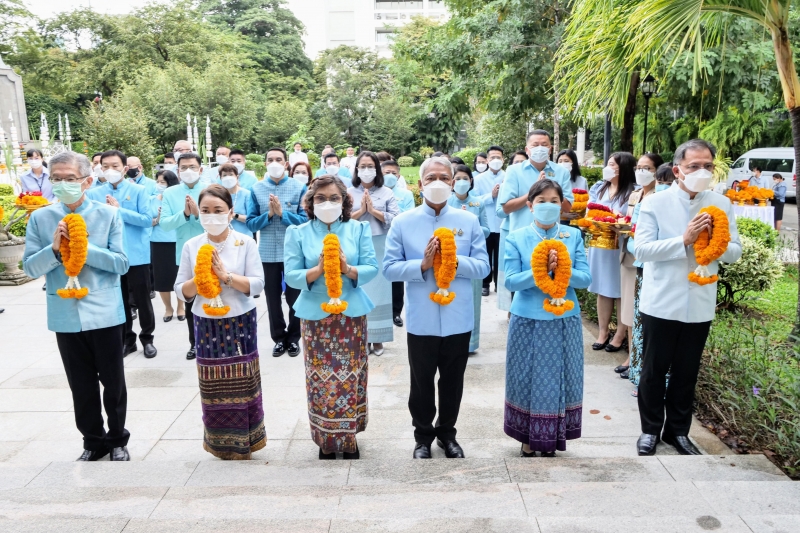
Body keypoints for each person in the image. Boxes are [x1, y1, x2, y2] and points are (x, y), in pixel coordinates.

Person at [635, 139, 742, 456]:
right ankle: (650, 431)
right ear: (678, 170)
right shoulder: (656, 203)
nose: (702, 172)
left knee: (686, 371)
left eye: (708, 166)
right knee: (654, 371)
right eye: (694, 166)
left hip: (700, 301)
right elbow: (641, 249)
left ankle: (678, 432)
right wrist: (684, 240)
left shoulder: (720, 204)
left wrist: (713, 244)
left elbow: (734, 251)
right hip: (661, 301)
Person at [22, 151, 131, 461]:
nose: (62, 184)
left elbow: (121, 264)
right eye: (56, 179)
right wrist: (54, 248)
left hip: (105, 312)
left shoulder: (108, 215)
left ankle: (117, 439)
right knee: (80, 385)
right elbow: (29, 267)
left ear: (86, 181)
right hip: (65, 314)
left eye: (69, 179)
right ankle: (92, 442)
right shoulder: (41, 218)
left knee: (113, 383)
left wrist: (84, 246)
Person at [384, 156, 490, 459]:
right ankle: (422, 437)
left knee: (453, 382)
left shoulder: (468, 221)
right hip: (422, 317)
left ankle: (447, 434)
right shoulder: (404, 222)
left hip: (458, 318)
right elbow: (389, 269)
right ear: (420, 185)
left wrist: (454, 261)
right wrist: (423, 264)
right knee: (421, 383)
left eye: (445, 177)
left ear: (454, 181)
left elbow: (483, 267)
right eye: (431, 178)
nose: (438, 183)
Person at [284, 175, 379, 460]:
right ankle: (325, 438)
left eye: (334, 198)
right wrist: (318, 270)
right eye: (321, 198)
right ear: (311, 202)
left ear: (344, 201)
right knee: (321, 379)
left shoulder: (358, 229)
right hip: (316, 316)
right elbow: (291, 275)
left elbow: (371, 268)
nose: (327, 203)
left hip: (350, 314)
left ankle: (348, 436)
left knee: (351, 376)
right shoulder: (298, 232)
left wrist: (346, 268)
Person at [175, 184, 266, 460]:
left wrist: (225, 276)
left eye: (218, 210)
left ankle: (246, 441)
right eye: (205, 211)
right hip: (206, 323)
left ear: (230, 212)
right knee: (213, 384)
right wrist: (200, 279)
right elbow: (181, 290)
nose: (211, 216)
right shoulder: (192, 245)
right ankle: (220, 442)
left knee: (242, 381)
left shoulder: (245, 242)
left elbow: (258, 284)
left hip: (240, 321)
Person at [503, 179, 591, 457]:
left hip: (564, 317)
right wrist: (540, 271)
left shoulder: (572, 236)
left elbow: (585, 279)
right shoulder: (516, 237)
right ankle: (528, 438)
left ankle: (553, 436)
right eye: (541, 201)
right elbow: (510, 282)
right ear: (530, 206)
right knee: (526, 376)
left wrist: (561, 271)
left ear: (562, 206)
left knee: (559, 376)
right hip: (527, 318)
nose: (548, 206)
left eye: (554, 201)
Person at [87, 150, 157, 359]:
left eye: (115, 166)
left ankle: (148, 338)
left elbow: (147, 219)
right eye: (105, 166)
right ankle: (128, 339)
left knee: (142, 299)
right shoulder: (94, 194)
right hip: (111, 255)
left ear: (125, 168)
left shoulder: (139, 191)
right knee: (119, 298)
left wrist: (119, 210)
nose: (110, 170)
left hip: (136, 253)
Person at [497, 131, 573, 314]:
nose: (540, 148)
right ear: (527, 149)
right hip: (522, 237)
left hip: (551, 237)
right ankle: (517, 316)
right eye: (535, 144)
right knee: (523, 282)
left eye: (544, 144)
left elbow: (568, 207)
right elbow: (504, 208)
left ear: (550, 148)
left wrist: (551, 191)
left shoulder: (560, 172)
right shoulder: (514, 171)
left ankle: (551, 316)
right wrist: (534, 191)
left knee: (550, 281)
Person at [247, 147, 308, 357]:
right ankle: (279, 338)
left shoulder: (299, 188)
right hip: (267, 253)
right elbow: (251, 224)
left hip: (293, 253)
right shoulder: (256, 189)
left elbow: (306, 220)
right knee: (272, 299)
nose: (274, 162)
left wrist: (282, 215)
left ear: (286, 164)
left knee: (295, 297)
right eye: (270, 159)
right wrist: (269, 215)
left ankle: (294, 337)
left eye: (278, 159)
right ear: (265, 164)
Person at [627, 163, 674, 396]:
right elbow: (634, 242)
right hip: (645, 271)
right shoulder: (647, 203)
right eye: (662, 182)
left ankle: (663, 382)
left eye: (670, 183)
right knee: (644, 327)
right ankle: (640, 378)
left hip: (671, 274)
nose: (666, 187)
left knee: (666, 331)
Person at [616, 153, 664, 381]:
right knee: (628, 309)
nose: (642, 171)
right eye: (639, 167)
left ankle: (639, 359)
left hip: (647, 261)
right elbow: (629, 222)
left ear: (657, 171)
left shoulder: (661, 196)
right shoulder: (636, 194)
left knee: (642, 312)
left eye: (648, 168)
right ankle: (631, 356)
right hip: (629, 255)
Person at [348, 151, 400, 355]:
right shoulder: (348, 191)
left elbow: (396, 218)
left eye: (371, 166)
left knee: (379, 291)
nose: (367, 170)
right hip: (357, 243)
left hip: (380, 243)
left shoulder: (386, 191)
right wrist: (361, 212)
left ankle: (378, 339)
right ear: (357, 169)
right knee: (360, 289)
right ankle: (362, 338)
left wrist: (374, 211)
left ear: (376, 169)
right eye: (363, 166)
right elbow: (341, 219)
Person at [159, 152, 208, 360]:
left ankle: (214, 341)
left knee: (214, 296)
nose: (188, 171)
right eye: (184, 168)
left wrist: (197, 214)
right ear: (177, 171)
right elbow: (165, 223)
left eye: (192, 167)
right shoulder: (170, 193)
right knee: (190, 302)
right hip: (185, 254)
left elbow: (219, 220)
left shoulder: (210, 190)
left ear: (201, 169)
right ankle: (194, 343)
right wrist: (185, 214)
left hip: (210, 250)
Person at [587, 152, 636, 354]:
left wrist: (620, 220)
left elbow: (633, 218)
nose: (607, 167)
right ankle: (603, 331)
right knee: (602, 288)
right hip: (599, 244)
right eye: (607, 164)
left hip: (621, 245)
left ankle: (620, 334)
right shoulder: (600, 187)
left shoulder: (634, 191)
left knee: (620, 291)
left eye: (612, 164)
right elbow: (589, 211)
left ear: (622, 168)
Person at [448, 164, 489, 353]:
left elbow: (487, 229)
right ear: (452, 182)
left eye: (465, 178)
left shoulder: (478, 203)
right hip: (449, 257)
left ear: (471, 181)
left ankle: (470, 343)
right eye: (458, 179)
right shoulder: (446, 202)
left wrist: (471, 230)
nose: (461, 182)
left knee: (472, 299)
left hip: (472, 258)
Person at [382, 159, 416, 328]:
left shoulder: (406, 194)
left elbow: (409, 217)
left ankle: (396, 312)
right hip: (379, 238)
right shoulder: (375, 192)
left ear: (399, 175)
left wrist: (389, 214)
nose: (390, 176)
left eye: (393, 173)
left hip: (398, 239)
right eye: (386, 173)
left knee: (397, 277)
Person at [150, 170, 184, 322]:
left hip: (177, 239)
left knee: (179, 275)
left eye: (162, 182)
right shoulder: (152, 200)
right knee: (162, 277)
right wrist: (158, 217)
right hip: (158, 241)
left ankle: (181, 306)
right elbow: (148, 221)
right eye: (158, 182)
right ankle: (168, 308)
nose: (159, 185)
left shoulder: (178, 197)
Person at [473, 145, 506, 296]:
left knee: (501, 256)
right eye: (492, 157)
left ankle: (499, 284)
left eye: (498, 157)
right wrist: (490, 195)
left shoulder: (508, 177)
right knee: (485, 254)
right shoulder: (479, 179)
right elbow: (474, 200)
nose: (495, 160)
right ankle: (485, 284)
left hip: (502, 223)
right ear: (487, 160)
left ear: (503, 160)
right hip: (486, 224)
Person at [218, 163, 253, 236]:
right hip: (223, 237)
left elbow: (251, 219)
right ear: (220, 178)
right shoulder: (218, 195)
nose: (228, 177)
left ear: (237, 177)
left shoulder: (247, 194)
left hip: (243, 237)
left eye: (231, 174)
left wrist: (234, 215)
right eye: (224, 175)